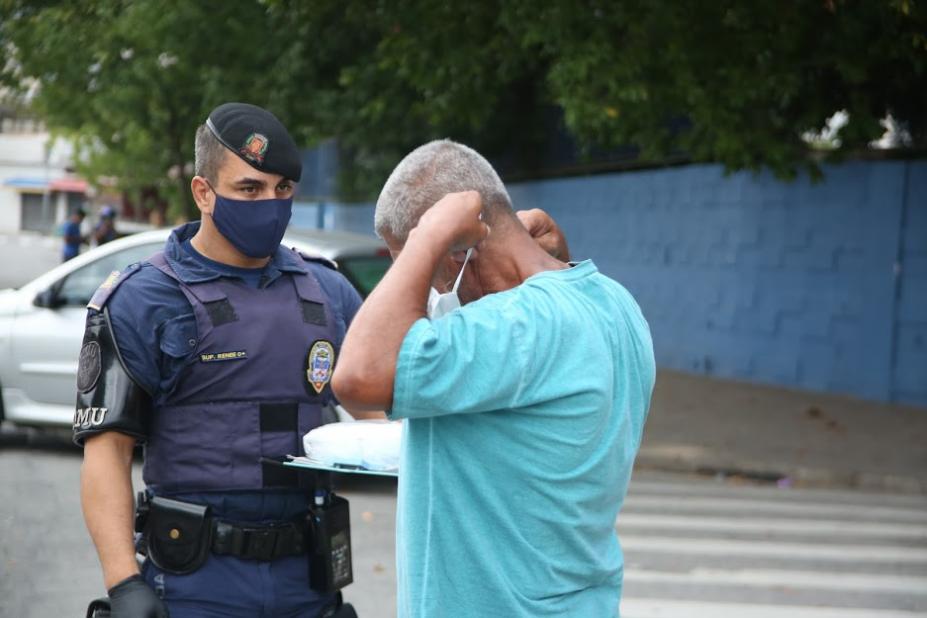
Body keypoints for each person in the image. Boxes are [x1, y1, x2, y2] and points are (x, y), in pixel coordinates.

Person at [332, 140, 655, 617]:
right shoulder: (612, 301)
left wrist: (426, 239)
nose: (434, 294)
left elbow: (357, 377)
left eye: (423, 275)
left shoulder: (515, 328)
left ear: (456, 252)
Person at [74, 102, 361, 618]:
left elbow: (385, 412)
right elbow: (106, 453)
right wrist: (124, 583)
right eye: (249, 189)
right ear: (203, 193)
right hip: (195, 583)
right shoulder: (144, 298)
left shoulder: (327, 291)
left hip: (307, 582)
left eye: (283, 189)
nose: (270, 203)